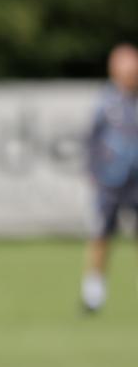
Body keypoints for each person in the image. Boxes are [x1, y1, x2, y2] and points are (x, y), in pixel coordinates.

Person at [81, 43, 138, 312]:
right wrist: (94, 172)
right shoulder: (106, 102)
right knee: (102, 235)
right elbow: (92, 140)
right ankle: (94, 293)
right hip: (111, 180)